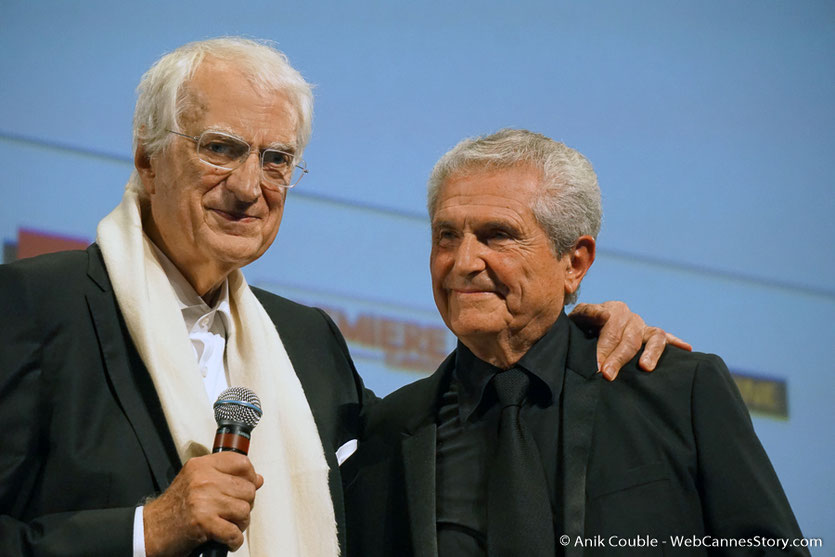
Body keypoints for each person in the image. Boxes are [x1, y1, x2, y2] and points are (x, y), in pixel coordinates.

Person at [0, 40, 680, 557]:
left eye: (275, 159)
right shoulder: (34, 305)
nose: (249, 186)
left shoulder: (306, 342)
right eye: (220, 148)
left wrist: (569, 332)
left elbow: (447, 438)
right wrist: (143, 531)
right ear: (147, 159)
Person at [342, 129, 808, 556]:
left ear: (575, 263)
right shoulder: (391, 431)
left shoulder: (679, 393)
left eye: (497, 236)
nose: (463, 261)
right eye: (447, 236)